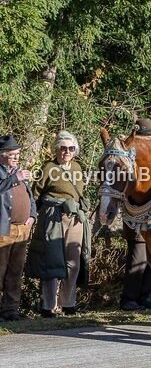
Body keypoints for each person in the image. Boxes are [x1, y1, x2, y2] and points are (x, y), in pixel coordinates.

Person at [28, 131, 90, 316]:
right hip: (53, 216)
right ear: (57, 149)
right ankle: (48, 306)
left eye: (71, 148)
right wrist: (34, 216)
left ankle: (68, 303)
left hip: (75, 217)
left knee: (74, 261)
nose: (67, 152)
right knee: (51, 261)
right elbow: (36, 193)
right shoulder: (48, 167)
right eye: (63, 148)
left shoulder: (78, 168)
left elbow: (79, 192)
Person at [120, 118, 151, 311]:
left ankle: (145, 294)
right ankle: (129, 297)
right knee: (138, 255)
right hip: (136, 215)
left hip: (150, 216)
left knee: (147, 257)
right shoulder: (132, 159)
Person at [0, 135, 36, 321]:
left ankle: (11, 310)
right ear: (2, 155)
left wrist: (32, 215)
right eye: (12, 154)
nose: (16, 158)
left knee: (15, 271)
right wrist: (16, 178)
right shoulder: (6, 173)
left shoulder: (18, 171)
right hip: (3, 229)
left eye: (18, 154)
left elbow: (30, 197)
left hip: (22, 229)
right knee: (0, 270)